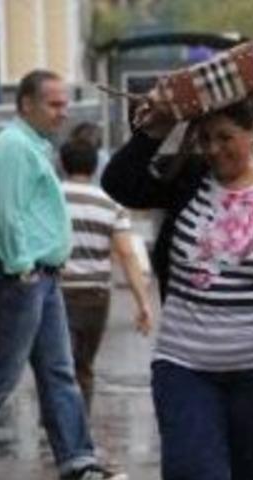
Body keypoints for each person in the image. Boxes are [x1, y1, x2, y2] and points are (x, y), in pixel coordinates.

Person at [102, 98, 253, 480]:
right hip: (186, 367)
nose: (213, 150)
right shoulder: (187, 176)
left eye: (225, 137)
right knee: (192, 471)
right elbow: (119, 182)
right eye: (204, 138)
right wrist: (155, 129)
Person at [0, 70, 125, 480]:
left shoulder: (34, 146)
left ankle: (77, 460)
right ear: (26, 103)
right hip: (19, 278)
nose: (62, 113)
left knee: (58, 370)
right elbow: (8, 214)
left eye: (65, 104)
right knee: (2, 376)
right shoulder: (13, 146)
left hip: (39, 277)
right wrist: (22, 267)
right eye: (55, 104)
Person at [59, 139, 154, 411]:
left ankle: (56, 425)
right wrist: (143, 302)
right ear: (94, 166)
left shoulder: (51, 196)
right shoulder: (110, 205)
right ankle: (79, 427)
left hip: (56, 292)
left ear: (62, 164)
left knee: (57, 365)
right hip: (95, 296)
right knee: (84, 365)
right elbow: (127, 254)